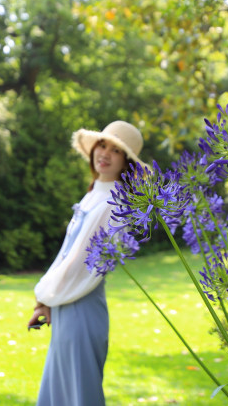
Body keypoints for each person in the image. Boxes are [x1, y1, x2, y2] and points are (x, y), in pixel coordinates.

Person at [28, 120, 146, 406]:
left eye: (116, 151)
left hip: (83, 306)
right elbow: (67, 253)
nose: (104, 153)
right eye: (102, 144)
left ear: (126, 162)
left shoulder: (117, 204)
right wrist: (44, 302)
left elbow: (83, 263)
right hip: (67, 303)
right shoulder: (94, 194)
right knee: (59, 392)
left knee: (80, 395)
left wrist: (45, 294)